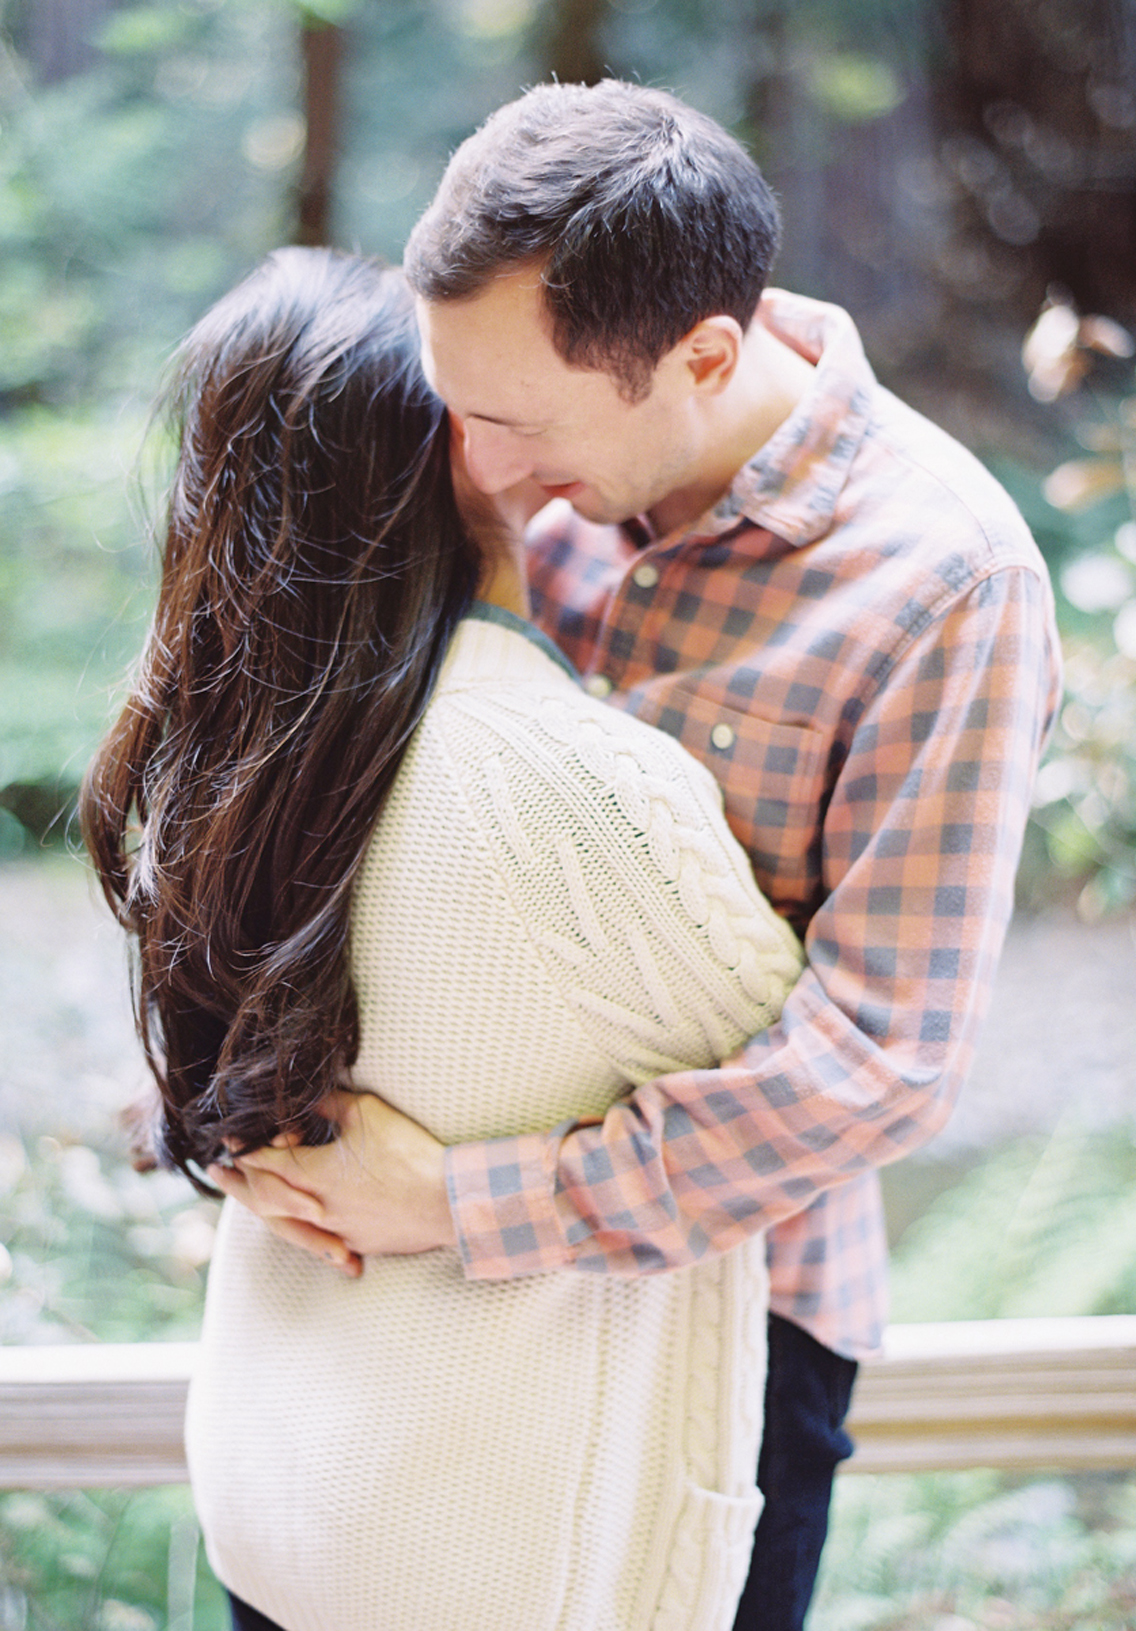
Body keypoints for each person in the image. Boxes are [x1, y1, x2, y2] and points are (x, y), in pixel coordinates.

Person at [217, 82, 1064, 1626]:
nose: (464, 464)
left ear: (705, 359)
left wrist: (467, 1204)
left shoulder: (947, 583)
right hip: (384, 1280)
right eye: (450, 398)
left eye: (514, 424)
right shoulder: (512, 442)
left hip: (720, 1315)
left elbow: (883, 1059)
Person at [80, 245, 805, 1631]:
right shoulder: (569, 787)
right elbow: (805, 1095)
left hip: (285, 1498)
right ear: (459, 450)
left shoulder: (216, 757)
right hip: (502, 1559)